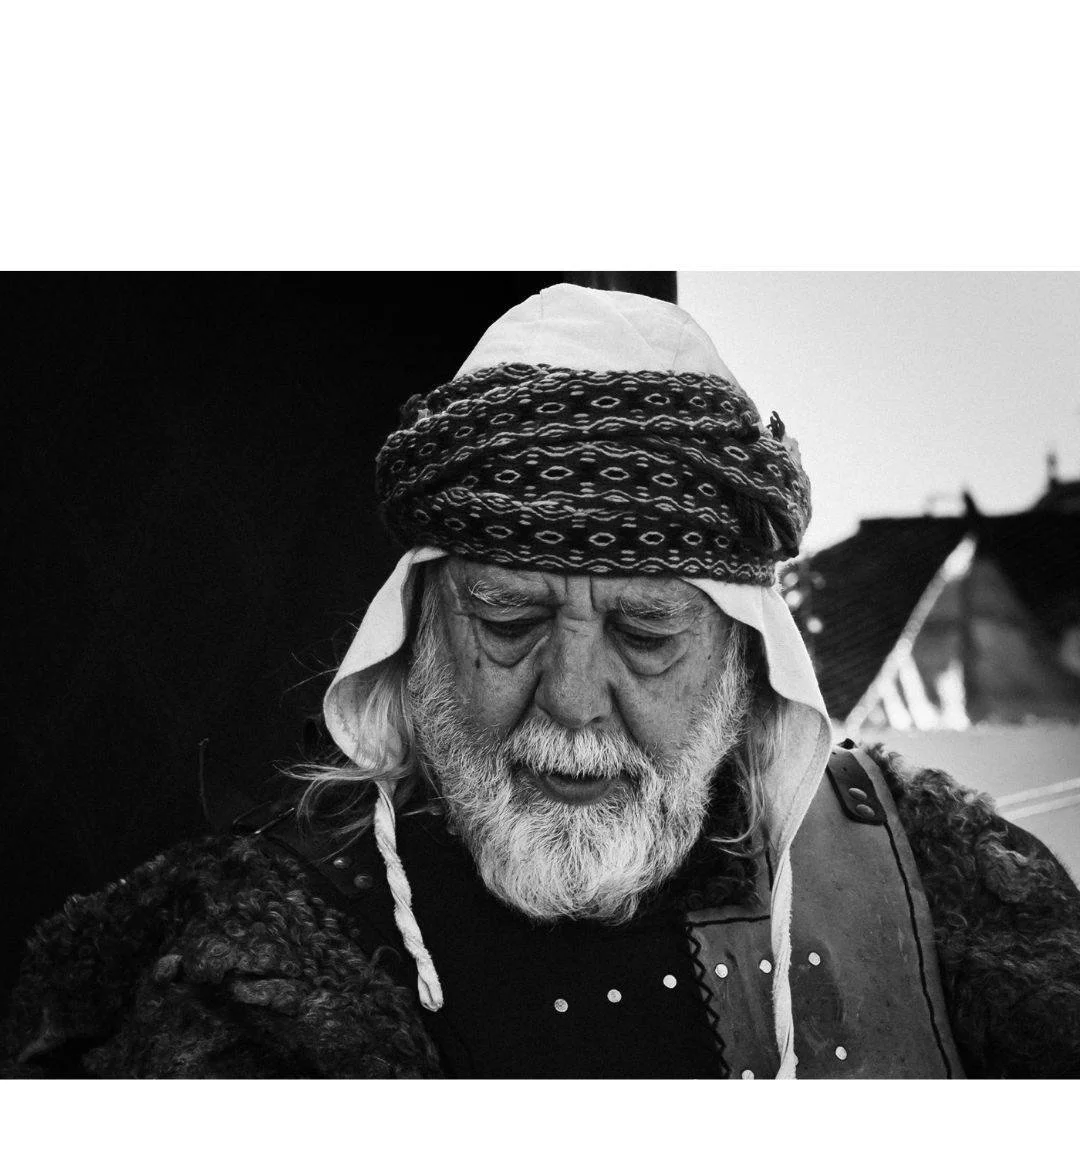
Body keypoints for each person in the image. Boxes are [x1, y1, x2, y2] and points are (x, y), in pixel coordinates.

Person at [4, 283, 1079, 1079]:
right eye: (510, 621)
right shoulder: (257, 965)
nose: (571, 700)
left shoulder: (938, 888)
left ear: (744, 659)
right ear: (420, 631)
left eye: (645, 633)